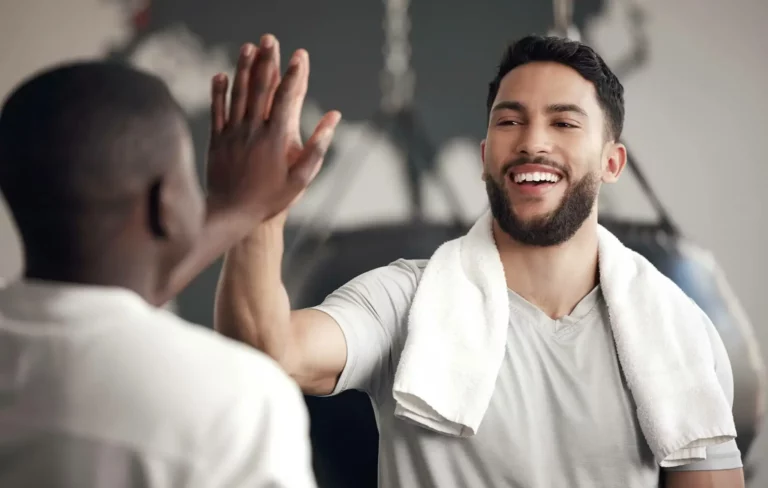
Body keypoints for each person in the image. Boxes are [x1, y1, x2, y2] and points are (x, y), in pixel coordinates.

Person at [215, 35, 745, 488]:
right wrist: (255, 212)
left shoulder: (680, 332)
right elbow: (268, 353)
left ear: (611, 162)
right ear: (485, 155)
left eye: (564, 123)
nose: (532, 142)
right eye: (510, 121)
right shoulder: (404, 301)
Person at [0, 34, 339, 487]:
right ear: (164, 203)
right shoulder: (235, 400)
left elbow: (90, 319)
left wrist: (238, 209)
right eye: (189, 179)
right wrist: (238, 208)